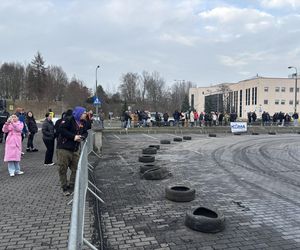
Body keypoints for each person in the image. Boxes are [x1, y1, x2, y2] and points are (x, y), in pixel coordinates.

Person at [56, 106, 88, 196]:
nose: (85, 115)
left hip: (75, 150)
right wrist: (73, 137)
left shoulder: (83, 123)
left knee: (76, 168)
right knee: (62, 169)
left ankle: (72, 186)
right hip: (64, 149)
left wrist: (83, 137)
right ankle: (64, 187)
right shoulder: (68, 120)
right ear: (79, 114)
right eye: (84, 113)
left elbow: (85, 132)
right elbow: (61, 130)